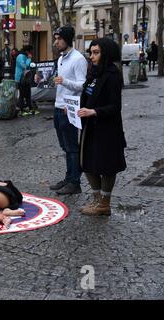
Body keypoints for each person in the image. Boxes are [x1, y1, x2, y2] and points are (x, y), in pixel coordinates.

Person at [77, 38, 126, 216]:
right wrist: (74, 107)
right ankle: (97, 200)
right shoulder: (94, 74)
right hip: (89, 128)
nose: (92, 56)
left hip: (106, 130)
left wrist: (94, 112)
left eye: (96, 52)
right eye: (91, 52)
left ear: (106, 53)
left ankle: (105, 203)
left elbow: (115, 106)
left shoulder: (112, 75)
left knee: (106, 166)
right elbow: (87, 97)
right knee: (87, 164)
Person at [49, 25, 88, 195]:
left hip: (69, 108)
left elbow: (82, 85)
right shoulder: (61, 57)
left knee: (72, 147)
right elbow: (60, 81)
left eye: (59, 39)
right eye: (55, 38)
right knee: (65, 146)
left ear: (67, 39)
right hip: (58, 106)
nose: (56, 41)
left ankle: (75, 182)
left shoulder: (78, 59)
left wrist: (64, 81)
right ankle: (68, 177)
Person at [14, 45, 34, 116]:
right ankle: (21, 110)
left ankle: (30, 108)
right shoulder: (20, 56)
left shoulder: (24, 56)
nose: (31, 52)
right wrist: (29, 59)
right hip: (21, 79)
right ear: (27, 51)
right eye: (30, 51)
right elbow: (24, 66)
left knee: (28, 93)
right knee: (22, 94)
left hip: (25, 78)